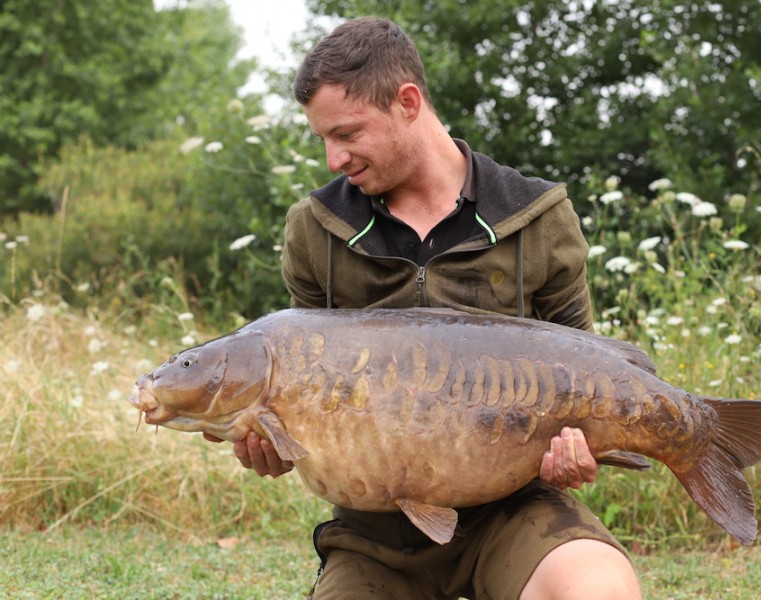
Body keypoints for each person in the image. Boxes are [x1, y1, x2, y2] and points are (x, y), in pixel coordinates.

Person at [207, 16, 641, 600]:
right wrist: (271, 444)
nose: (334, 159)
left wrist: (580, 450)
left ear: (407, 102)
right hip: (375, 536)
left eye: (348, 134)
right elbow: (301, 393)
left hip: (513, 511)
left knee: (600, 592)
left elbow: (585, 368)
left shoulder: (535, 216)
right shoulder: (316, 230)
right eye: (323, 140)